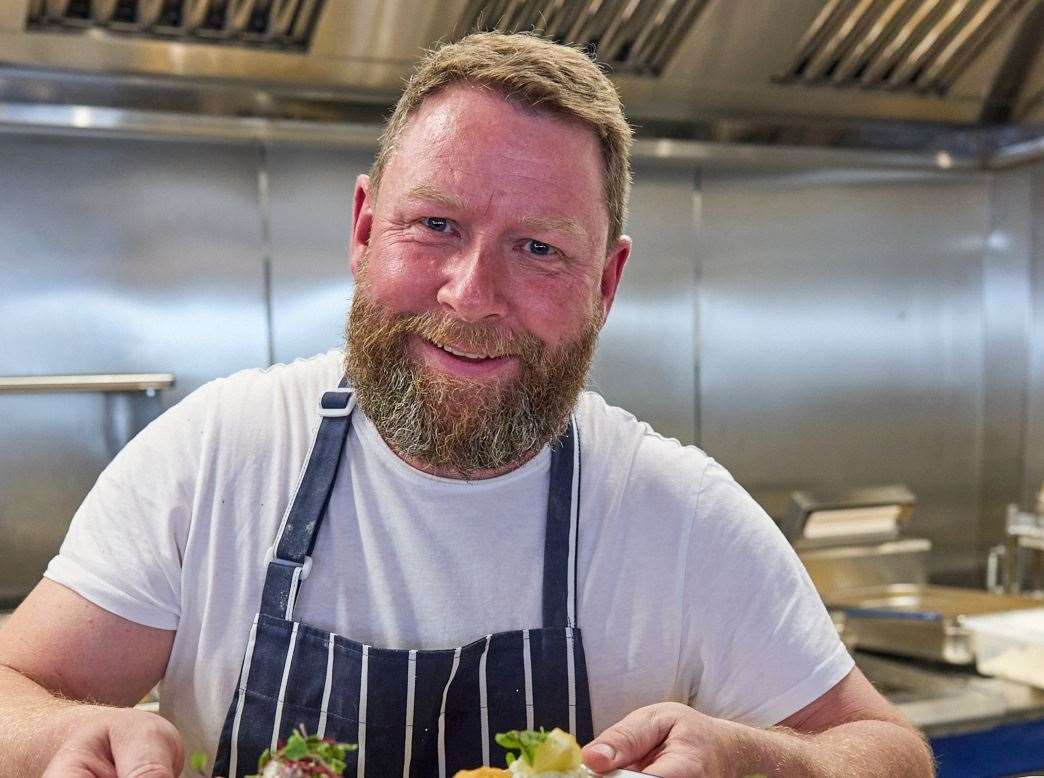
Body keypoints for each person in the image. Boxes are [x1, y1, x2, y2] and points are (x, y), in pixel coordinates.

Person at [0, 32, 933, 778]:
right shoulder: (218, 456)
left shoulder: (673, 512)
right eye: (436, 225)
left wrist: (763, 764)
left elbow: (888, 753)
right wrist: (61, 742)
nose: (470, 294)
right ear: (365, 229)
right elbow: (16, 683)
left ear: (606, 283)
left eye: (539, 249)